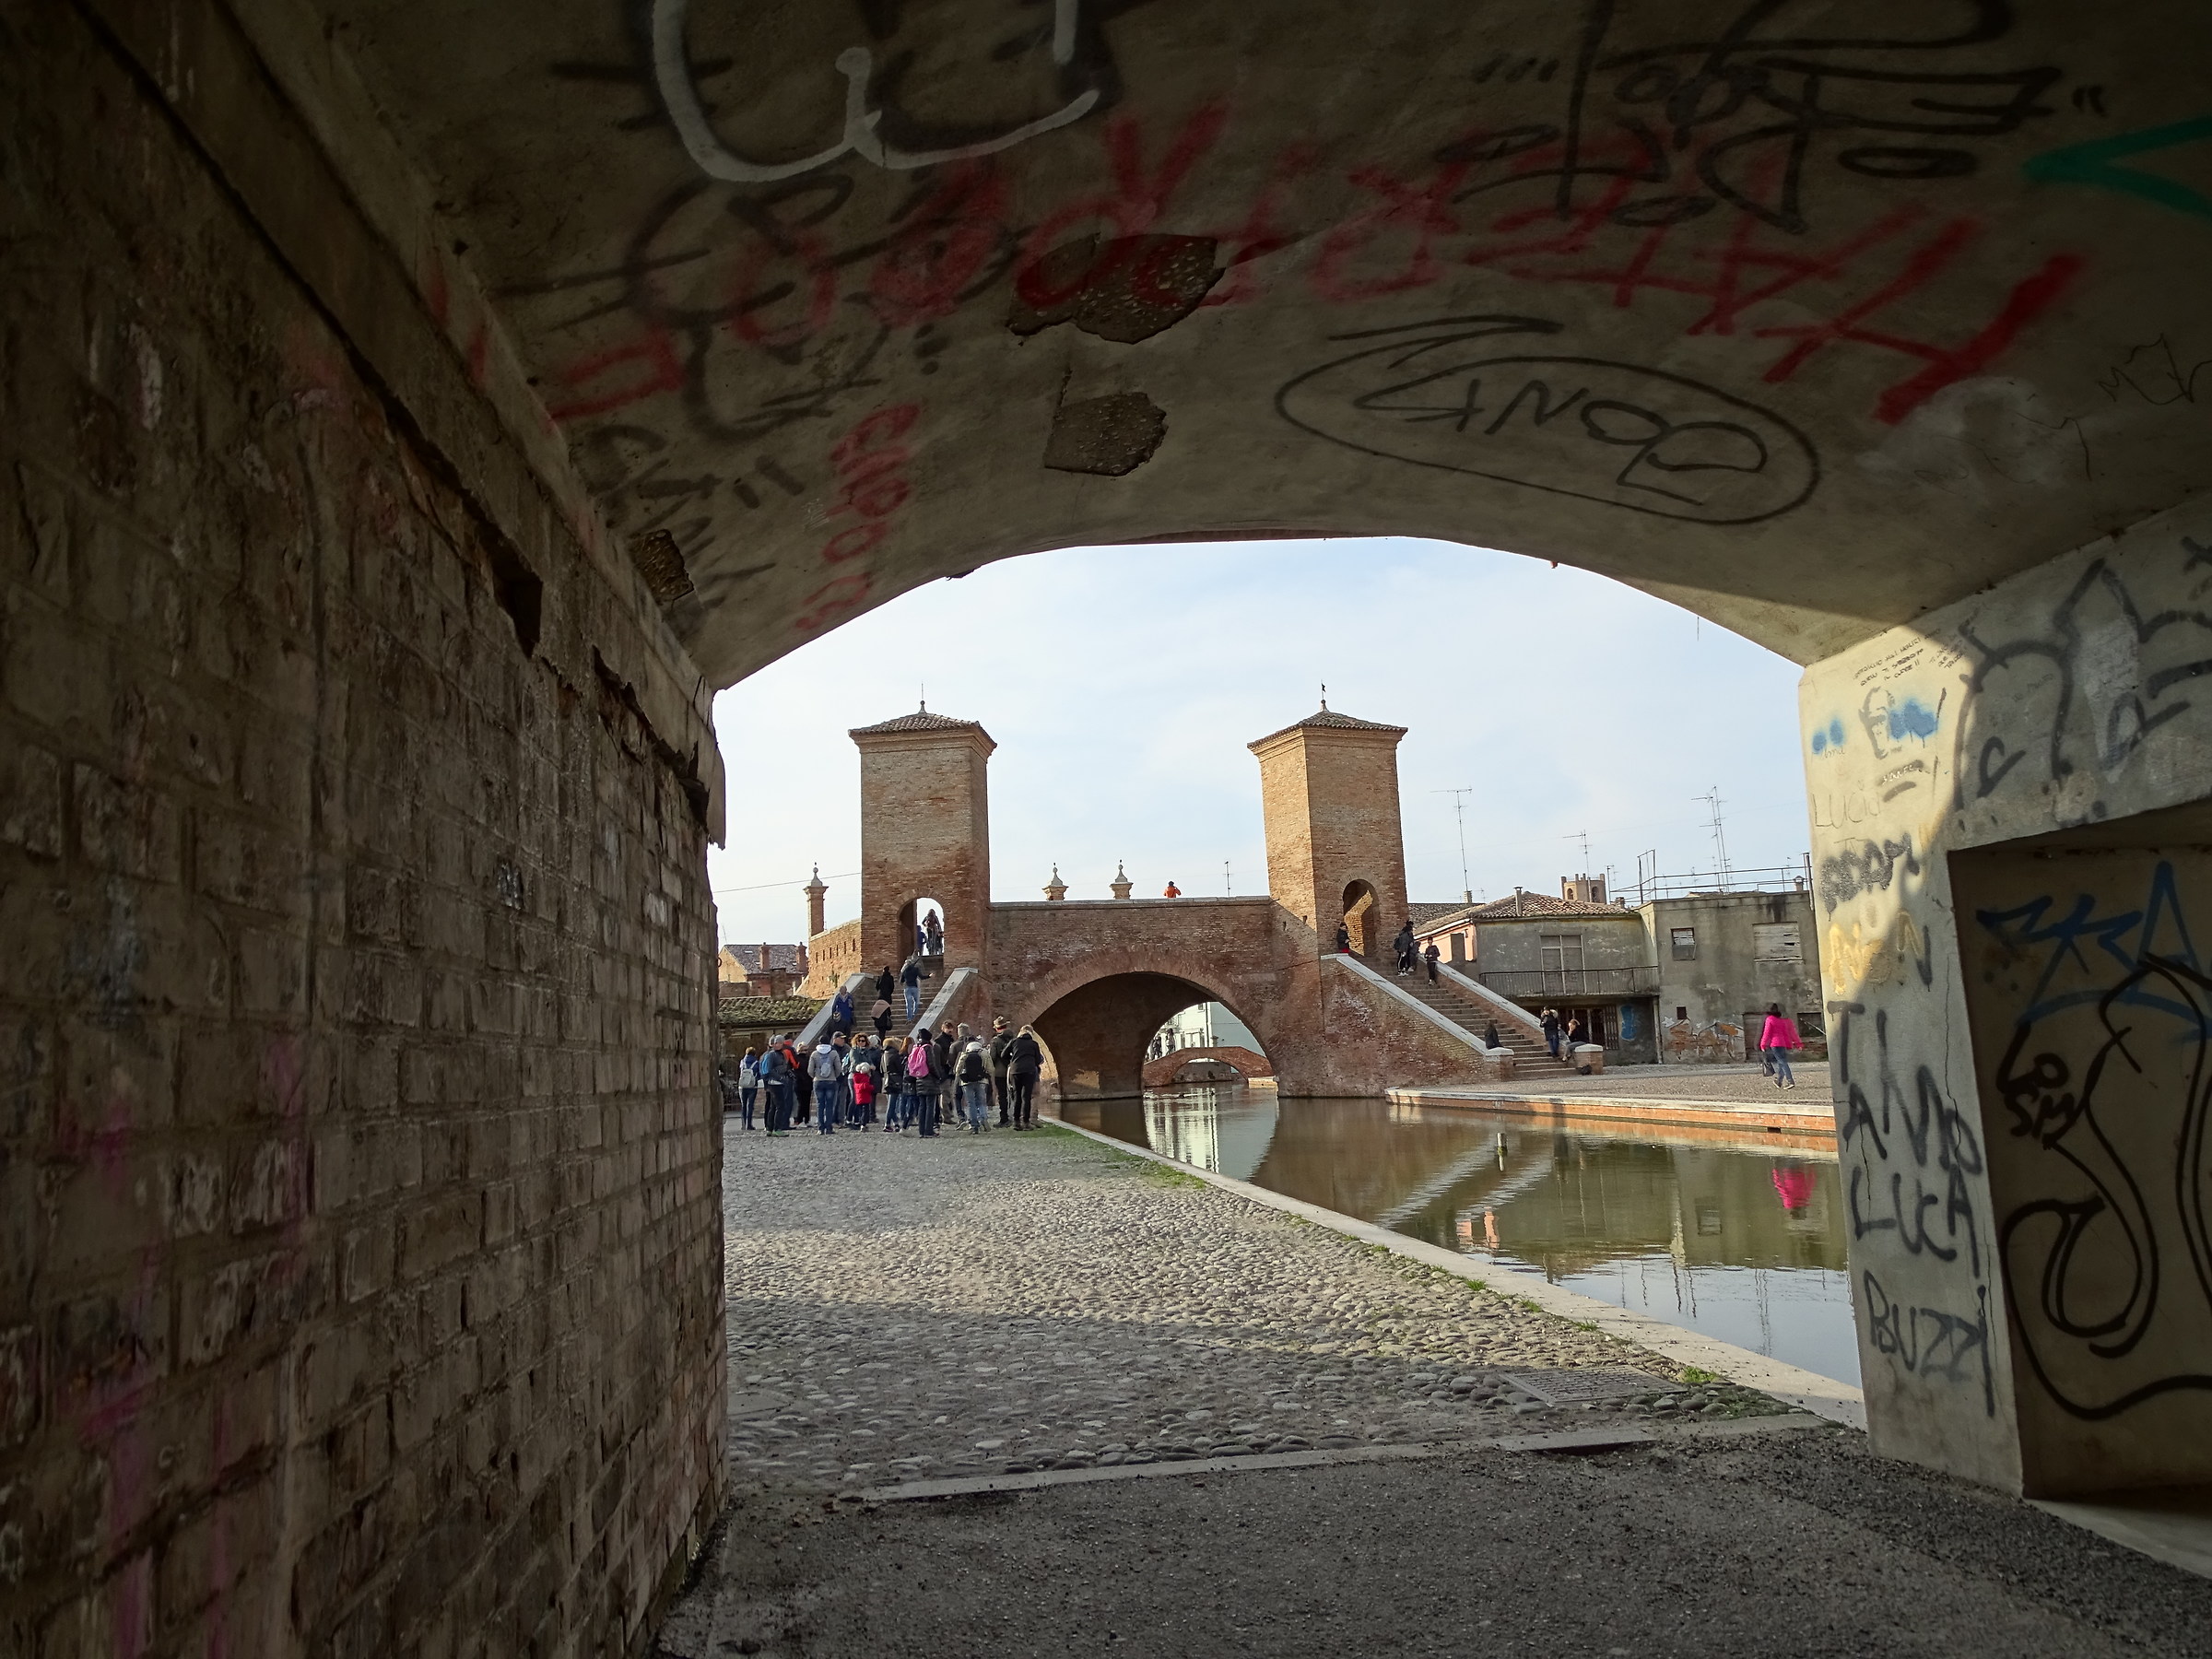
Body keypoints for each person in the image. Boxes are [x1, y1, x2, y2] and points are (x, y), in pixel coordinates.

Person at [908, 1026, 942, 1136]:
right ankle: (928, 1130)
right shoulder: (928, 1048)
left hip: (919, 1079)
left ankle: (921, 1131)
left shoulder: (916, 1047)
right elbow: (931, 1065)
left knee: (922, 1106)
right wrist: (938, 1076)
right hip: (929, 1080)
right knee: (930, 1107)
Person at [1007, 1025, 1043, 1129]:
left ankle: (1016, 1122)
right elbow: (1038, 1059)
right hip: (1029, 1071)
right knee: (1026, 1097)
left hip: (1015, 1071)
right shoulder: (1034, 1044)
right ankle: (1026, 1122)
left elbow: (1003, 1054)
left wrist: (1013, 1059)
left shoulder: (1014, 1042)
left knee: (1017, 1096)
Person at [1759, 1003, 1802, 1089]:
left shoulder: (1770, 1019)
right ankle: (1779, 1081)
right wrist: (1798, 1044)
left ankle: (1790, 1081)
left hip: (1775, 1044)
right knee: (1781, 1062)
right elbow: (1791, 1033)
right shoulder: (1784, 1021)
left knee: (1782, 1062)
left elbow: (1766, 1033)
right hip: (1783, 1043)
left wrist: (1763, 1044)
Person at [759, 1037, 794, 1135]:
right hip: (774, 1083)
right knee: (780, 1106)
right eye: (779, 1043)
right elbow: (770, 1070)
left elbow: (784, 1067)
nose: (781, 1045)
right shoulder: (771, 1055)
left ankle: (770, 1128)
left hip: (778, 1082)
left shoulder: (781, 1054)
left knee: (773, 1106)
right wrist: (780, 1078)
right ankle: (777, 1128)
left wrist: (788, 1073)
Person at [957, 1036, 993, 1132]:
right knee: (981, 1101)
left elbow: (957, 1070)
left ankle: (974, 1125)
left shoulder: (965, 1054)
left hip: (966, 1082)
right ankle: (983, 1118)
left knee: (970, 1103)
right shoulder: (984, 1053)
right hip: (981, 1081)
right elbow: (991, 1069)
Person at [808, 1040, 844, 1134]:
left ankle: (820, 1128)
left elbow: (810, 1070)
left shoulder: (814, 1054)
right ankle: (829, 1127)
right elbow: (839, 1068)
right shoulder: (833, 1053)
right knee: (829, 1105)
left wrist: (815, 1076)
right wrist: (834, 1076)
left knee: (820, 1105)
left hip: (818, 1081)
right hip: (831, 1081)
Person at [987, 1017, 1016, 1126]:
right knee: (1014, 1094)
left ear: (996, 1028)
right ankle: (1015, 1116)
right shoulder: (1013, 1038)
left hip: (1000, 1072)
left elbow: (992, 1057)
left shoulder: (995, 1041)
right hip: (1013, 1070)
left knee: (1002, 1096)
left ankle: (1004, 1119)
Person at [736, 1047, 760, 1132]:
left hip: (742, 1086)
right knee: (750, 1105)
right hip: (752, 1086)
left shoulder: (742, 1062)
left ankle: (743, 1124)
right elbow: (759, 1074)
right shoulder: (756, 1062)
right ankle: (749, 1125)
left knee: (743, 1105)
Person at [900, 954, 924, 1022]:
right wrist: (929, 976)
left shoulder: (904, 971)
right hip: (914, 987)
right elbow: (921, 977)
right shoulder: (915, 970)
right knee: (916, 1002)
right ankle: (914, 1014)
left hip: (907, 988)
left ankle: (909, 1018)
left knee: (908, 1004)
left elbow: (901, 981)